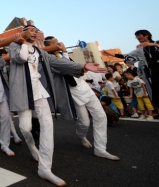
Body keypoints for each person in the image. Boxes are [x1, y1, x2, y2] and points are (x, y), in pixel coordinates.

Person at [8, 25, 107, 186]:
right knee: (25, 128)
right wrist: (23, 43)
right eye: (30, 29)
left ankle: (45, 168)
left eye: (35, 30)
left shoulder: (41, 52)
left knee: (48, 126)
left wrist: (82, 66)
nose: (33, 32)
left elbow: (57, 62)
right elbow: (20, 59)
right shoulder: (14, 45)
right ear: (23, 32)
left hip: (39, 91)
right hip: (22, 92)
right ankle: (33, 147)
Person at [44, 36, 119, 161]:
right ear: (51, 45)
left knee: (100, 116)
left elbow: (77, 69)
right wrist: (64, 53)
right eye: (56, 43)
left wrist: (65, 53)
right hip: (72, 92)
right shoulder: (50, 59)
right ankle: (81, 136)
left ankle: (100, 149)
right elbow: (67, 67)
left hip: (85, 89)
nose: (60, 43)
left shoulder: (64, 55)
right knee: (84, 122)